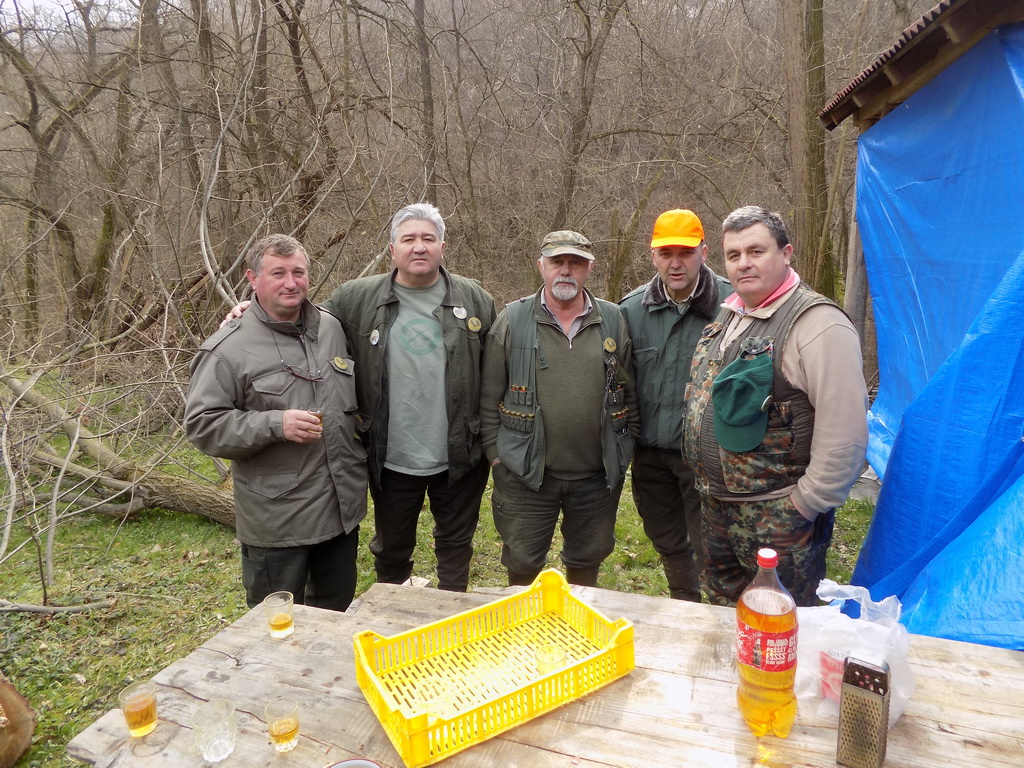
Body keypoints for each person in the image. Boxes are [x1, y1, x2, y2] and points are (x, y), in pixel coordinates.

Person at [683, 206, 868, 607]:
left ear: (787, 253)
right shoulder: (730, 315)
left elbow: (846, 435)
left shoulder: (818, 324)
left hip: (778, 519)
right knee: (721, 622)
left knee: (781, 627)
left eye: (756, 251)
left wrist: (804, 504)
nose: (743, 263)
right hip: (717, 510)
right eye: (733, 255)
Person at [185, 234, 367, 611]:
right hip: (278, 524)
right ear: (253, 279)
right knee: (273, 628)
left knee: (333, 616)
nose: (290, 282)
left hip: (338, 512)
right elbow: (202, 425)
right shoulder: (227, 350)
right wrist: (274, 424)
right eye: (277, 273)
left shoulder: (331, 329)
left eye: (298, 272)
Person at [323, 203, 495, 593]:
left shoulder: (477, 300)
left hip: (459, 455)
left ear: (442, 247)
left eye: (428, 239)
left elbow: (497, 370)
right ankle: (394, 620)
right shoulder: (355, 299)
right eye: (409, 239)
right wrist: (253, 309)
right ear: (392, 249)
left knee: (455, 547)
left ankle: (452, 619)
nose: (419, 247)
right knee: (392, 551)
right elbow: (305, 325)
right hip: (390, 456)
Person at [479, 230, 639, 587]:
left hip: (596, 478)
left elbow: (630, 395)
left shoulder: (613, 320)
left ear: (589, 269)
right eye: (557, 262)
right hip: (525, 475)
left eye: (576, 263)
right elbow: (488, 400)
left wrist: (624, 451)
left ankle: (577, 631)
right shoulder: (513, 320)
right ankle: (522, 636)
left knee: (587, 564)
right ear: (541, 267)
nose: (565, 271)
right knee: (522, 564)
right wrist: (497, 459)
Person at [618, 209, 731, 602]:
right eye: (666, 253)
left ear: (703, 251)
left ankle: (718, 611)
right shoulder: (631, 310)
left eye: (685, 252)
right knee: (664, 535)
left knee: (712, 542)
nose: (675, 262)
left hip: (707, 454)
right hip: (650, 454)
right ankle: (685, 599)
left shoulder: (733, 306)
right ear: (653, 256)